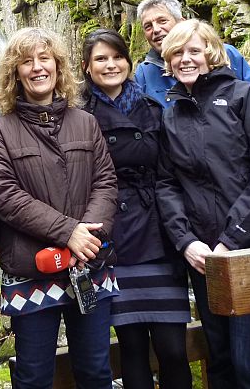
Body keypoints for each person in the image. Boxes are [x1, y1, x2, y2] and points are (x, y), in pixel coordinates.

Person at [134, 0, 250, 385]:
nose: (185, 59)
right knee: (219, 358)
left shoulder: (247, 97)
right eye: (177, 54)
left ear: (212, 54)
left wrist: (232, 239)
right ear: (168, 63)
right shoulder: (172, 114)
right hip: (204, 256)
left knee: (249, 361)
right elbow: (167, 183)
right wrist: (186, 241)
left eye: (194, 50)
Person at [0, 27, 119, 389]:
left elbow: (106, 183)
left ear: (58, 67)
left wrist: (87, 237)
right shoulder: (1, 131)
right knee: (33, 377)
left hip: (89, 264)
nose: (37, 67)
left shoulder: (85, 123)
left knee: (95, 371)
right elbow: (2, 193)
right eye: (27, 61)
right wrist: (68, 232)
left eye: (45, 59)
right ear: (16, 72)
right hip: (32, 269)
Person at [81, 28, 192, 389]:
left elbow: (172, 172)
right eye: (101, 59)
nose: (111, 65)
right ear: (86, 67)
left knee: (173, 348)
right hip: (115, 238)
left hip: (159, 234)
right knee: (131, 346)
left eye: (117, 57)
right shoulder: (80, 116)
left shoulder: (153, 109)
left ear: (129, 62)